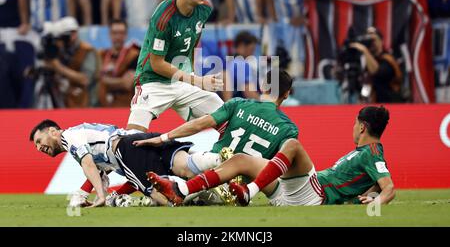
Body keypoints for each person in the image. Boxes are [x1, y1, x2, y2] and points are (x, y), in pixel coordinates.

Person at [147, 106, 396, 207]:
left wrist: (376, 201)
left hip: (314, 194)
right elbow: (376, 181)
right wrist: (371, 192)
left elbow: (390, 188)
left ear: (362, 127)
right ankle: (182, 191)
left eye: (355, 124)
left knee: (294, 145)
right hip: (292, 194)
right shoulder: (365, 154)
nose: (353, 128)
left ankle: (251, 191)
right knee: (240, 160)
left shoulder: (372, 152)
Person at [126, 0, 224, 133]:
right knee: (132, 137)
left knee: (228, 119)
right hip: (153, 81)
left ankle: (226, 157)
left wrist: (192, 75)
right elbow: (157, 64)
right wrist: (198, 81)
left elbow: (194, 42)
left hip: (183, 80)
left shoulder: (205, 9)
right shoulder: (164, 17)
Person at [134, 70, 298, 162]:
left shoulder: (238, 104)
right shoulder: (288, 129)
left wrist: (163, 138)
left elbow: (199, 124)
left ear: (263, 86)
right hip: (241, 184)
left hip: (212, 167)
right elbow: (282, 164)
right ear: (286, 94)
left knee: (172, 158)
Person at [28, 119, 198, 208]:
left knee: (166, 200)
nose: (38, 148)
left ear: (52, 131)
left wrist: (101, 197)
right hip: (141, 140)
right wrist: (84, 194)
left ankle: (195, 193)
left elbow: (88, 164)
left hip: (126, 148)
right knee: (186, 169)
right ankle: (207, 187)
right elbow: (102, 172)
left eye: (39, 141)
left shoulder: (68, 137)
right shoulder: (83, 136)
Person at [40, 17, 100, 108]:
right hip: (65, 100)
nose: (72, 36)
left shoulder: (87, 51)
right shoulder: (61, 49)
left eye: (73, 32)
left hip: (86, 102)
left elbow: (86, 79)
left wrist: (58, 67)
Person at [349, 27, 403, 103]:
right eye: (368, 39)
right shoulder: (367, 60)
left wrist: (364, 50)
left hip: (390, 104)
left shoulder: (388, 59)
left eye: (373, 39)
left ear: (381, 41)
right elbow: (366, 81)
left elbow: (376, 71)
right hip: (374, 105)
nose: (371, 43)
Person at [98, 19, 140, 107]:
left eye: (121, 33)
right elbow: (94, 79)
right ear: (109, 34)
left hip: (125, 104)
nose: (118, 37)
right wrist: (118, 81)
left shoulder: (134, 55)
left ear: (126, 35)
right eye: (114, 33)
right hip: (102, 105)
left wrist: (104, 80)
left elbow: (127, 84)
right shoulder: (101, 54)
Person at [222, 31, 260, 101]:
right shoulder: (241, 65)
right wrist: (266, 103)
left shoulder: (228, 62)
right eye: (252, 49)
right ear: (241, 46)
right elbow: (248, 93)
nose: (253, 53)